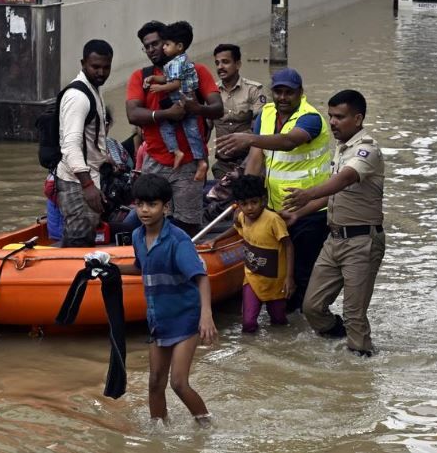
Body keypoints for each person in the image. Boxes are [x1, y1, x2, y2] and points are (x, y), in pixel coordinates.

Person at [215, 67, 331, 313]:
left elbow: (289, 141)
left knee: (301, 272)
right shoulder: (265, 115)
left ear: (300, 93)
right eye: (278, 91)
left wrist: (248, 139)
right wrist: (243, 201)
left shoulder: (310, 118)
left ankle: (303, 320)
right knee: (274, 269)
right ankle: (283, 318)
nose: (282, 97)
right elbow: (256, 159)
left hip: (311, 209)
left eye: (289, 92)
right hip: (275, 210)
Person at [282, 90, 386, 357]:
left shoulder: (367, 150)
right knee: (312, 307)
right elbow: (333, 193)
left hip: (361, 242)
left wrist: (307, 193)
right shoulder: (341, 149)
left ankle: (359, 368)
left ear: (358, 118)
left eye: (339, 117)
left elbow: (344, 180)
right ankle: (341, 342)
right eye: (330, 116)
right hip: (334, 239)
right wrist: (301, 211)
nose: (332, 122)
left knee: (354, 314)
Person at [116, 174, 217, 426]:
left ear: (166, 207)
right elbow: (141, 267)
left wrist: (206, 315)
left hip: (185, 319)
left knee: (178, 383)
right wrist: (111, 269)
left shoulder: (177, 240)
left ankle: (207, 427)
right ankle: (158, 432)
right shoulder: (138, 236)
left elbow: (200, 277)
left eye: (152, 205)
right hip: (158, 320)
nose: (145, 210)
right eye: (140, 204)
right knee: (154, 383)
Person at [126, 20, 224, 237]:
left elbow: (217, 108)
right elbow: (132, 114)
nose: (152, 50)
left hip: (190, 163)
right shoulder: (141, 77)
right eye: (147, 46)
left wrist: (196, 108)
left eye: (156, 44)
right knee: (148, 220)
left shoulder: (196, 71)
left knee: (188, 223)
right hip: (154, 161)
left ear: (170, 43)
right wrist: (166, 115)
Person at [206, 175, 294, 333]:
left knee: (279, 321)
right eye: (244, 204)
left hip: (275, 281)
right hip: (252, 278)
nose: (250, 208)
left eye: (254, 202)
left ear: (263, 200)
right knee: (248, 323)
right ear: (238, 205)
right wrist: (216, 240)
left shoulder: (273, 220)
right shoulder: (242, 217)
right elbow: (236, 227)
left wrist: (289, 277)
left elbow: (288, 246)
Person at [56, 39, 112, 247]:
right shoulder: (78, 97)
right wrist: (87, 185)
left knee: (87, 235)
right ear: (83, 63)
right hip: (76, 180)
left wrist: (104, 157)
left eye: (106, 67)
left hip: (90, 175)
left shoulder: (93, 89)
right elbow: (70, 145)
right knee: (78, 239)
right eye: (95, 67)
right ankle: (72, 277)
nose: (101, 72)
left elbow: (90, 137)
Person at [142, 21, 208, 180]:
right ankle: (181, 153)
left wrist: (160, 88)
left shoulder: (178, 62)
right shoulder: (174, 62)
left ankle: (198, 161)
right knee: (173, 128)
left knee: (190, 132)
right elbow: (167, 78)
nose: (163, 48)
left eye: (166, 44)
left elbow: (176, 83)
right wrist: (153, 78)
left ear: (179, 46)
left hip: (184, 101)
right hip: (179, 102)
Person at [212, 44, 265, 180]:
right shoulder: (212, 92)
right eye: (217, 63)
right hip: (223, 165)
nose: (220, 67)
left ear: (238, 64)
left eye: (225, 62)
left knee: (251, 200)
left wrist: (242, 138)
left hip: (250, 162)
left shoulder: (253, 90)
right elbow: (204, 130)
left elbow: (261, 127)